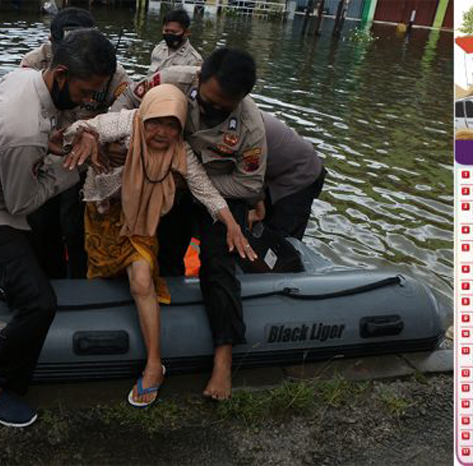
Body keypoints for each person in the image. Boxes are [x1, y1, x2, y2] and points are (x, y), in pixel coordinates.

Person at [0, 29, 117, 427]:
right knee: (40, 302)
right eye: (83, 92)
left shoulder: (26, 77)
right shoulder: (21, 132)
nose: (86, 102)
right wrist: (73, 169)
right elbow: (21, 204)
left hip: (2, 183)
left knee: (40, 269)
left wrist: (62, 141)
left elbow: (44, 132)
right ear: (60, 73)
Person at [64, 84, 254, 407]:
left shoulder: (181, 152)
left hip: (141, 221)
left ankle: (155, 365)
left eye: (172, 125)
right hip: (103, 216)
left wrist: (232, 224)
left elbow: (206, 191)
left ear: (181, 127)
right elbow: (85, 127)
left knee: (140, 280)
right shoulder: (127, 124)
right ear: (145, 115)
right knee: (100, 275)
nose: (162, 132)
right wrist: (84, 135)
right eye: (156, 122)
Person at [111, 48, 267, 400]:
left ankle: (223, 361)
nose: (213, 110)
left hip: (218, 189)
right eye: (209, 101)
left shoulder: (249, 126)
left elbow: (250, 184)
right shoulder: (167, 81)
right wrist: (126, 147)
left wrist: (194, 185)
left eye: (223, 107)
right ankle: (167, 327)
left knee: (218, 262)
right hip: (168, 184)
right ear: (198, 79)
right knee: (163, 252)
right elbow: (122, 108)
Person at [20, 7, 131, 278]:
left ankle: (83, 281)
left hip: (85, 161)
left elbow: (127, 112)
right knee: (42, 225)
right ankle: (52, 279)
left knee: (77, 227)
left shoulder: (112, 72)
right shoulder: (32, 65)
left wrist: (97, 132)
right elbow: (23, 116)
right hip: (47, 154)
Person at [248, 112, 325, 240]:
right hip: (273, 170)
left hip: (301, 174)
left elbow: (250, 176)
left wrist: (259, 212)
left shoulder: (244, 128)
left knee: (281, 239)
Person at [147, 8, 203, 75]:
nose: (169, 35)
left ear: (186, 32)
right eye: (166, 31)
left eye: (174, 32)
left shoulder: (193, 60)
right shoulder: (158, 49)